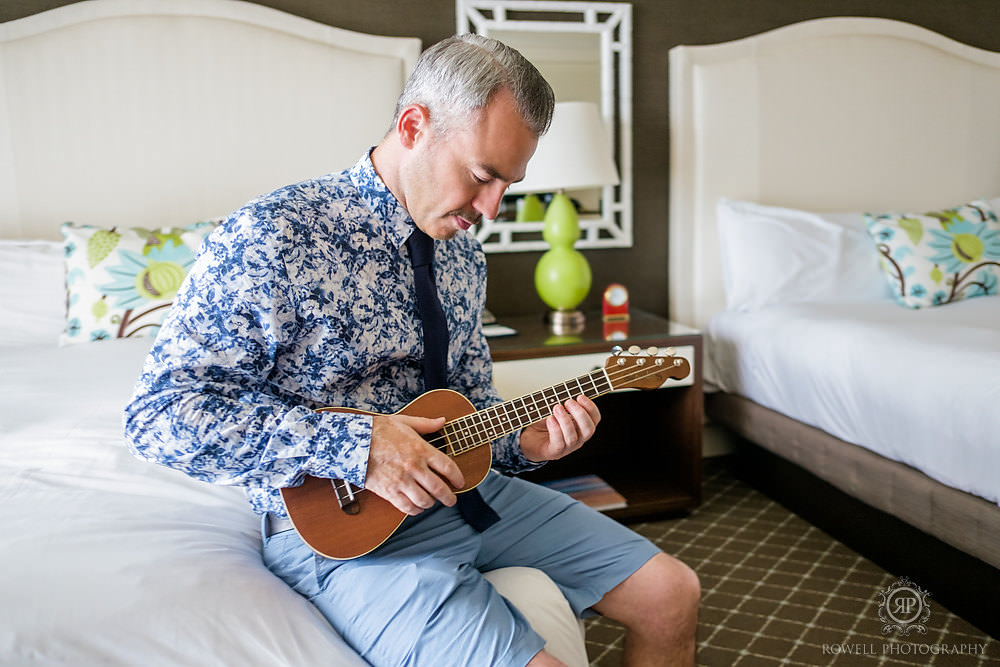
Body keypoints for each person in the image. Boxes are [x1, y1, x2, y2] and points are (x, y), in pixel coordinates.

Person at [124, 34, 699, 666]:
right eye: (482, 176)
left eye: (508, 185)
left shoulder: (462, 252)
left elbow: (469, 406)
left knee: (671, 590)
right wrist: (361, 447)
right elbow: (160, 415)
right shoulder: (272, 237)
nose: (491, 209)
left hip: (463, 492)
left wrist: (523, 444)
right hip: (340, 529)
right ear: (413, 125)